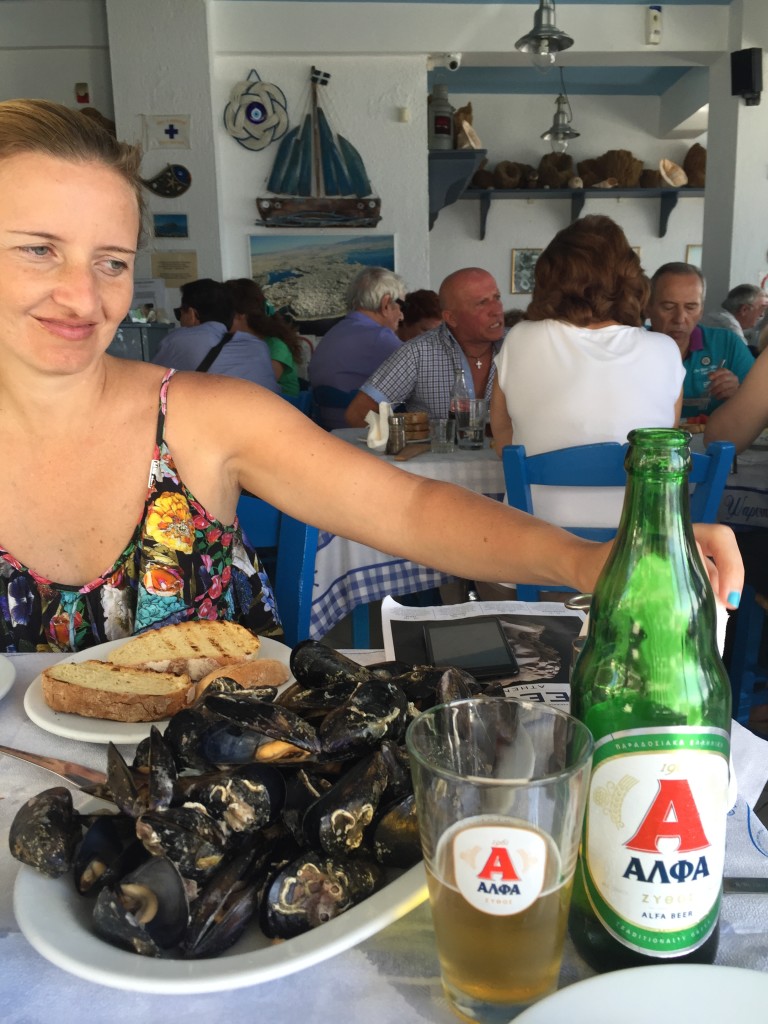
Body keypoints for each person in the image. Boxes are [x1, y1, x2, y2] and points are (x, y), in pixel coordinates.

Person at [0, 100, 742, 654]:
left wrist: (588, 557)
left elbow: (415, 511)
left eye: (112, 261)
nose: (84, 295)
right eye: (38, 249)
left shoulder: (204, 418)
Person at [490, 215, 684, 528]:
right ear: (632, 280)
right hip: (640, 560)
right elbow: (662, 445)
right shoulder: (665, 352)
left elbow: (503, 443)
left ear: (548, 277)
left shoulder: (521, 339)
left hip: (535, 559)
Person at [345, 267, 505, 427]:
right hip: (439, 451)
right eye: (482, 303)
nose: (497, 310)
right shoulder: (418, 353)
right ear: (451, 318)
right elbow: (358, 414)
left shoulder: (520, 345)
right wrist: (407, 440)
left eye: (496, 297)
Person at [646, 262, 754, 417]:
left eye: (690, 307)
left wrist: (739, 393)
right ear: (647, 307)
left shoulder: (726, 344)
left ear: (701, 310)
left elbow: (761, 403)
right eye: (669, 307)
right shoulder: (632, 349)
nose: (680, 318)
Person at [309, 266, 405, 429]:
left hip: (328, 430)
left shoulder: (335, 332)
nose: (402, 315)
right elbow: (424, 378)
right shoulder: (380, 337)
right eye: (401, 306)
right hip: (365, 434)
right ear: (386, 304)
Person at [152, 277, 280, 393]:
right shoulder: (259, 347)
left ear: (192, 314)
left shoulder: (178, 340)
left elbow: (153, 385)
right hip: (265, 416)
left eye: (179, 313)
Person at [224, 277, 303, 398]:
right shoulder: (240, 342)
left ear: (239, 315)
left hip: (281, 409)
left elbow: (261, 387)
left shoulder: (276, 346)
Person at [700, 283, 768, 348]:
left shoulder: (715, 316)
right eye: (762, 308)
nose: (762, 315)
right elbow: (744, 358)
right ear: (744, 310)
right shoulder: (730, 326)